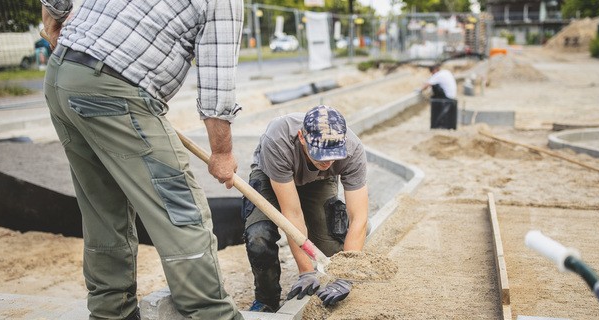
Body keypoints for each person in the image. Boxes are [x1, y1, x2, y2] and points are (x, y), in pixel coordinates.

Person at [40, 0, 244, 319]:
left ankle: (111, 311)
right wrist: (222, 153)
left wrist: (54, 21)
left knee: (103, 208)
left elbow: (57, 5)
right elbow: (217, 86)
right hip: (114, 88)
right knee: (180, 208)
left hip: (62, 75)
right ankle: (212, 314)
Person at [241, 105, 369, 312]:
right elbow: (291, 213)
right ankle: (266, 300)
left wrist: (346, 276)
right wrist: (306, 272)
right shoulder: (278, 139)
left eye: (333, 154)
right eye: (320, 154)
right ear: (302, 137)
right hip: (272, 175)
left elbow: (359, 216)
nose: (327, 161)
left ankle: (354, 239)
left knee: (332, 248)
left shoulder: (353, 150)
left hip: (319, 181)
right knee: (258, 236)